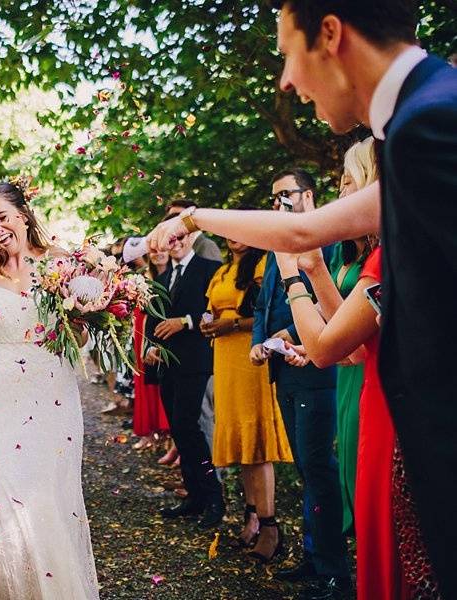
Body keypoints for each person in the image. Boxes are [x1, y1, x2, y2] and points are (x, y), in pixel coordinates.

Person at [147, 3, 456, 594]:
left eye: (288, 51)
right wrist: (191, 217)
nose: (286, 79)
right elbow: (304, 233)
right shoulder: (422, 115)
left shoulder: (433, 120)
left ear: (332, 34)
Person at [0, 180, 99, 599]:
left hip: (52, 392)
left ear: (24, 214)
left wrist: (85, 317)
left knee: (47, 496)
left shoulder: (60, 264)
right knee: (7, 499)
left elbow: (78, 339)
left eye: (1, 215)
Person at [275, 244, 441, 599]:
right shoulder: (396, 249)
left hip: (396, 409)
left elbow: (329, 350)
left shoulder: (390, 254)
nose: (343, 196)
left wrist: (292, 275)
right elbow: (354, 349)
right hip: (378, 393)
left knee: (397, 540)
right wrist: (317, 269)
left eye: (350, 185)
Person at [250, 169, 348, 596]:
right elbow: (264, 302)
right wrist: (259, 342)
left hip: (317, 370)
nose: (278, 205)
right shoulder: (279, 245)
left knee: (319, 468)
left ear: (308, 195)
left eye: (284, 196)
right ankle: (313, 557)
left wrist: (286, 335)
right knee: (307, 470)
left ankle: (334, 571)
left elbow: (330, 304)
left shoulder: (326, 239)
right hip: (282, 370)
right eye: (274, 199)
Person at [201, 229, 293, 562]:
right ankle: (251, 514)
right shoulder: (223, 271)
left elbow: (267, 316)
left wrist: (233, 326)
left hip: (250, 356)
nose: (234, 237)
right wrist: (208, 323)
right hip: (224, 358)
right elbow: (211, 309)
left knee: (257, 443)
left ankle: (271, 527)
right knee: (242, 443)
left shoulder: (264, 264)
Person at [146, 225, 224, 529]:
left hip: (197, 360)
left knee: (191, 428)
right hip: (169, 366)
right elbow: (154, 322)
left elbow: (215, 312)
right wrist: (153, 347)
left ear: (191, 237)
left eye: (180, 237)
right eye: (171, 238)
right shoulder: (163, 278)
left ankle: (214, 497)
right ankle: (194, 495)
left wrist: (187, 322)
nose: (175, 242)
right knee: (179, 429)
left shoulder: (210, 269)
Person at [327, 137, 378, 537]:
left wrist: (301, 270)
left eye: (347, 181)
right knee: (349, 465)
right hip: (349, 368)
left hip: (372, 371)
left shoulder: (381, 259)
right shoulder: (344, 253)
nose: (341, 191)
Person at [132, 248, 170, 452]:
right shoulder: (143, 277)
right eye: (153, 251)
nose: (158, 254)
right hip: (142, 331)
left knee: (164, 385)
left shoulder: (175, 275)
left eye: (162, 250)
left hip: (164, 331)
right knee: (144, 383)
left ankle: (168, 437)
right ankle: (149, 432)